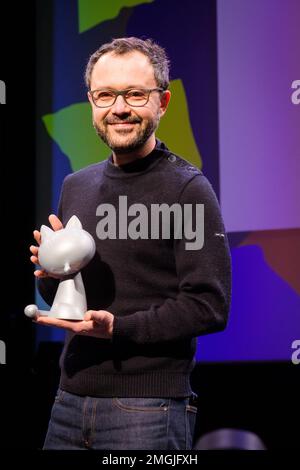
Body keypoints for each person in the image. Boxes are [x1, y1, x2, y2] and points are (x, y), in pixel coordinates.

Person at [29, 37, 232, 450]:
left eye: (135, 94)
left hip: (147, 409)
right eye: (105, 95)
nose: (119, 108)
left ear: (163, 102)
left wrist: (119, 329)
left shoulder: (187, 188)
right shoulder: (76, 185)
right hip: (68, 400)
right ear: (91, 102)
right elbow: (71, 295)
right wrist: (52, 275)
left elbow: (208, 305)